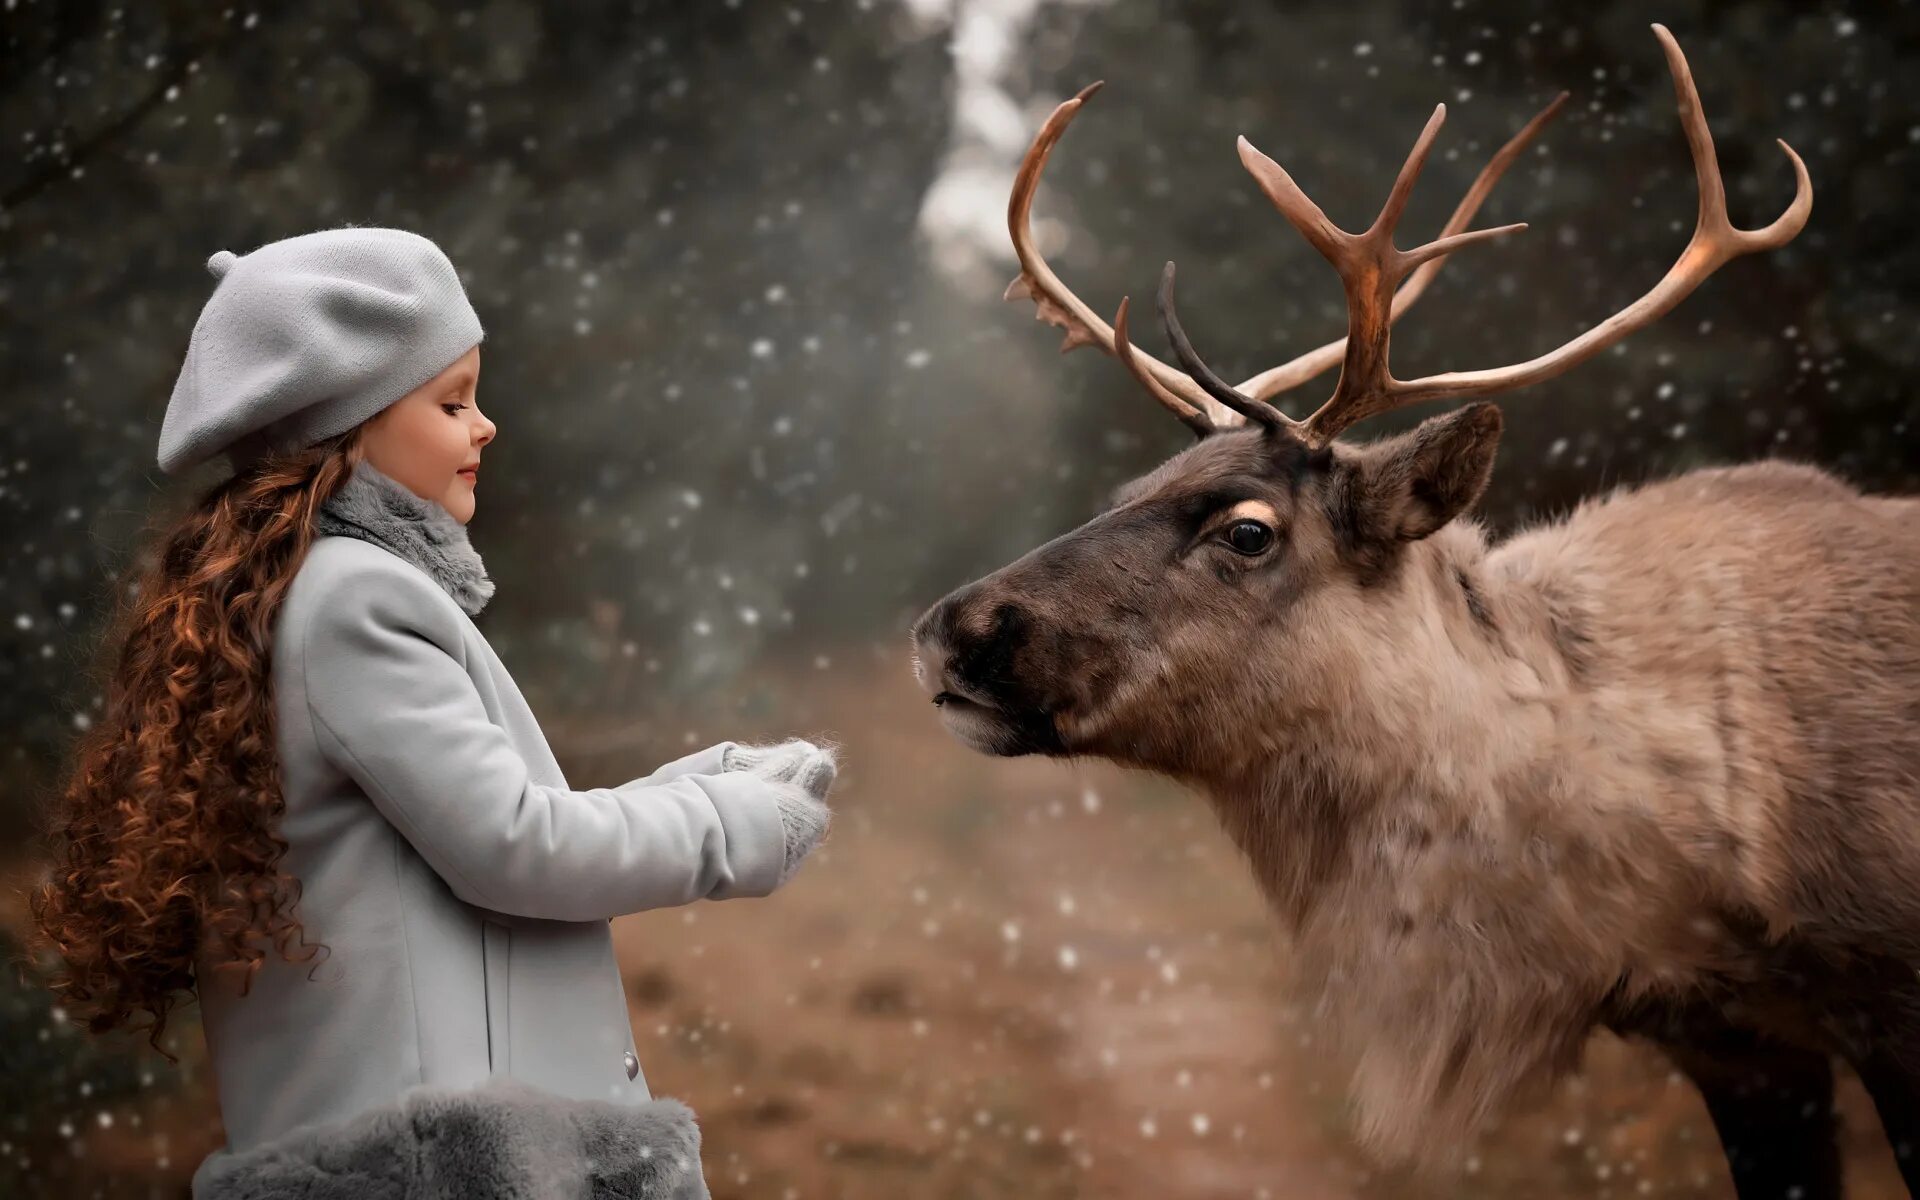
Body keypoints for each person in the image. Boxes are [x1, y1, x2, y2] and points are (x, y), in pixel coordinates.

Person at [28, 227, 837, 1199]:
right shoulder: (358, 599)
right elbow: (515, 847)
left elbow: (474, 820)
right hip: (457, 1169)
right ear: (348, 431)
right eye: (451, 400)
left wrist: (699, 782)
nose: (485, 425)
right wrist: (733, 826)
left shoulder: (298, 595)